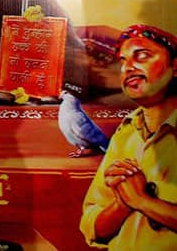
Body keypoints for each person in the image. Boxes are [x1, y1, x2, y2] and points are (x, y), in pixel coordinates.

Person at [80, 24, 177, 248]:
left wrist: (142, 201)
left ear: (175, 65)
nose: (128, 68)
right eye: (123, 61)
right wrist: (122, 204)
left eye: (142, 56)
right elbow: (93, 229)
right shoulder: (126, 134)